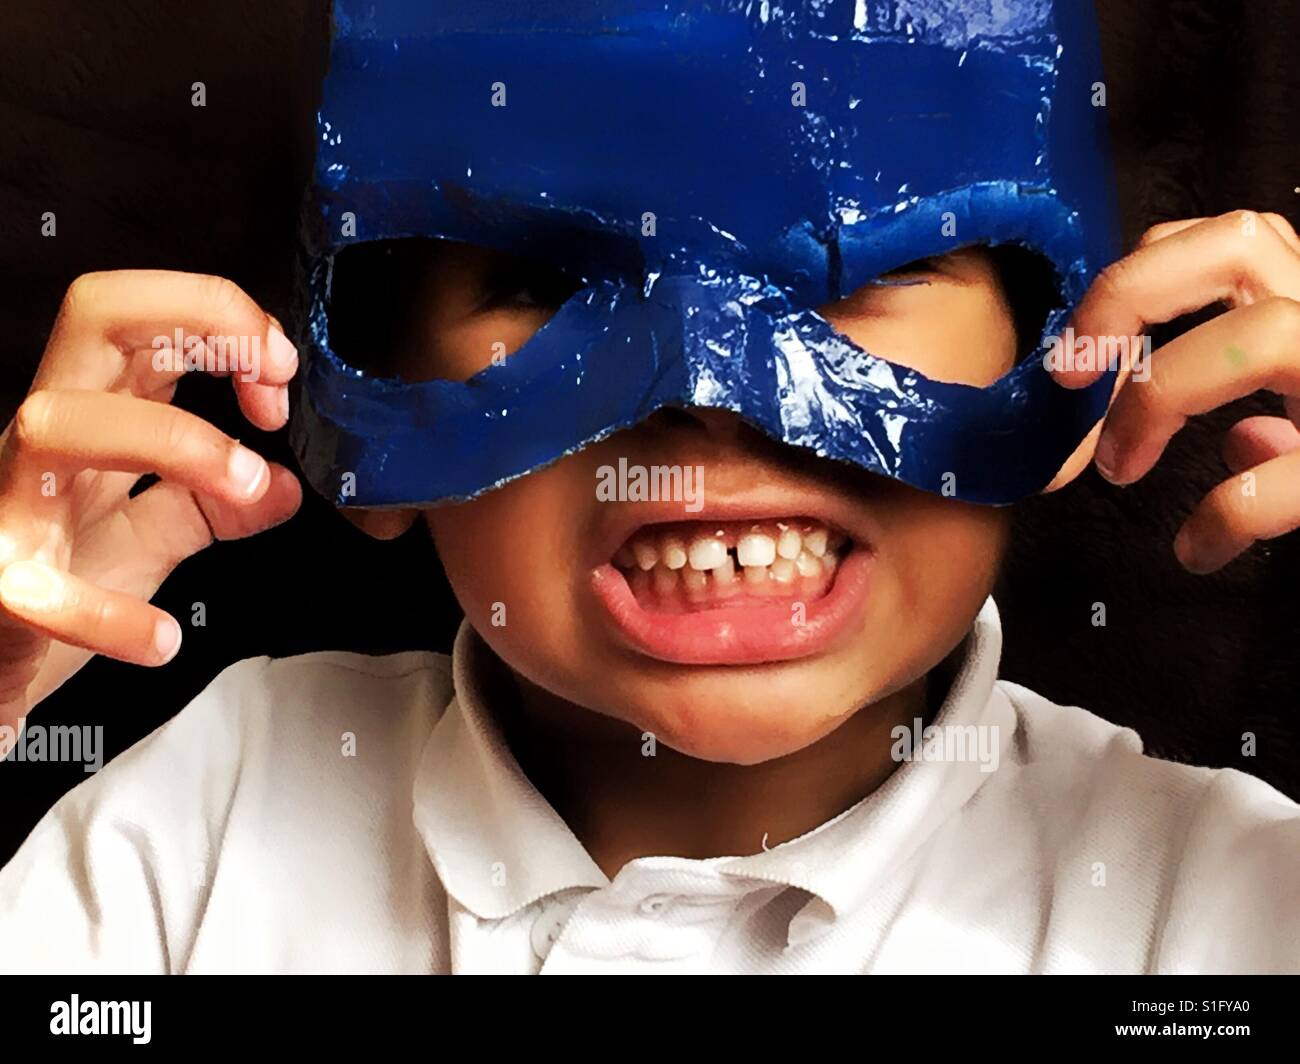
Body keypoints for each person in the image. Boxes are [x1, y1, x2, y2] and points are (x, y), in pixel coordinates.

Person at [0, 2, 1298, 973]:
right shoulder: (198, 837)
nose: (707, 389)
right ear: (362, 402)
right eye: (542, 279)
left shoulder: (1216, 905)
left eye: (860, 261)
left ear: (1071, 362)